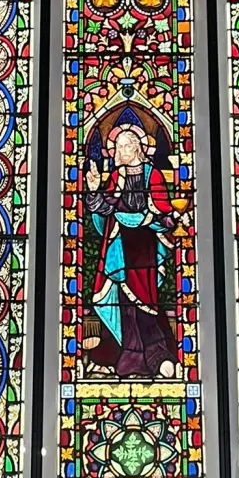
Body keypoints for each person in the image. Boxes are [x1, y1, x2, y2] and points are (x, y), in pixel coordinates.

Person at [83, 123, 177, 378]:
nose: (121, 151)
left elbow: (163, 210)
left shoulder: (152, 175)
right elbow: (106, 208)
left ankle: (157, 356)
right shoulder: (116, 177)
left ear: (137, 148)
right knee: (123, 302)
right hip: (119, 245)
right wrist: (94, 191)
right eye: (118, 147)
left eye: (126, 146)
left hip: (144, 246)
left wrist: (171, 218)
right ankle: (128, 359)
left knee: (147, 301)